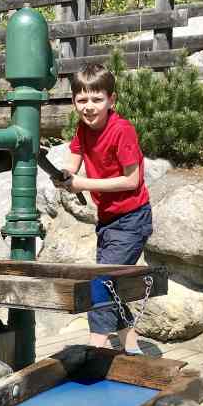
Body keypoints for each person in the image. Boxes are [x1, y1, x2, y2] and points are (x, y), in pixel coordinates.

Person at [53, 63, 152, 355]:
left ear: (112, 100)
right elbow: (74, 158)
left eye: (96, 99)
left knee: (100, 282)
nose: (89, 106)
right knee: (112, 286)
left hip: (133, 219)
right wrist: (67, 175)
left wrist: (83, 183)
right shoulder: (83, 129)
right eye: (82, 100)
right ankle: (133, 351)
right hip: (108, 221)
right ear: (74, 102)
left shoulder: (122, 130)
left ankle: (96, 350)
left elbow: (132, 180)